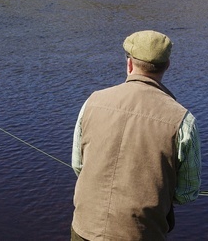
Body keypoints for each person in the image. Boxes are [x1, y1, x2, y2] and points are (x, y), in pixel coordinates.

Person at [71, 30, 201, 240]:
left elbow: (78, 165)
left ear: (129, 64)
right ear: (167, 66)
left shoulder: (92, 101)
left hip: (84, 228)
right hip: (142, 233)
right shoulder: (183, 120)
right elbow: (187, 192)